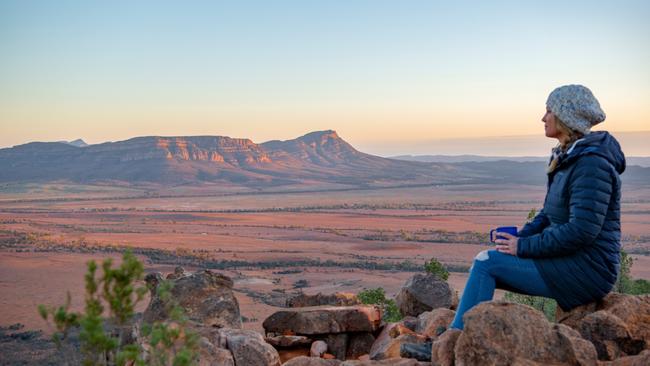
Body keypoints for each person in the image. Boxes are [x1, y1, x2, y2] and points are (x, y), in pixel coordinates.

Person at [401, 84, 626, 361]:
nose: (543, 118)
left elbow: (581, 231)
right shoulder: (569, 157)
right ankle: (451, 342)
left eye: (549, 111)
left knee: (487, 263)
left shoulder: (591, 165)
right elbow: (547, 215)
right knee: (491, 258)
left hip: (588, 269)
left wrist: (524, 247)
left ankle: (448, 347)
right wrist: (519, 237)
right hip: (570, 260)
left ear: (567, 117)